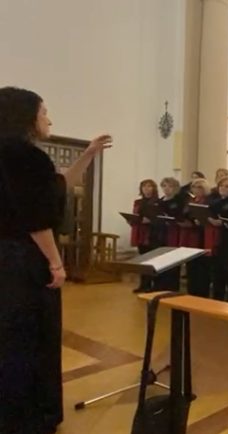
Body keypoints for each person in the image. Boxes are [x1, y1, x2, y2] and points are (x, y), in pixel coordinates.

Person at [0, 86, 112, 434]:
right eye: (44, 112)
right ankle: (30, 417)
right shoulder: (28, 157)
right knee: (32, 337)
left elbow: (57, 187)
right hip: (23, 260)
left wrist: (88, 154)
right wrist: (56, 262)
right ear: (26, 117)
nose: (48, 119)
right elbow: (36, 218)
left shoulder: (13, 156)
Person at [154, 177, 187, 291]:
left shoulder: (179, 201)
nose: (166, 188)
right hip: (160, 232)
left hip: (174, 233)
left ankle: (172, 288)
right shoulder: (159, 201)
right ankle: (160, 286)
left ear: (176, 188)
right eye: (164, 186)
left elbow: (181, 217)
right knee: (160, 260)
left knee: (172, 262)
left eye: (170, 186)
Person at [182, 178, 212, 298]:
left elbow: (209, 216)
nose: (196, 189)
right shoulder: (191, 200)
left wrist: (198, 222)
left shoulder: (209, 201)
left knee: (202, 267)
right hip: (191, 236)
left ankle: (202, 293)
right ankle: (192, 292)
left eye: (199, 187)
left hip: (203, 235)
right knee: (191, 265)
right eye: (194, 187)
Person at [129, 179, 160, 292]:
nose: (146, 189)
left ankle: (152, 285)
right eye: (144, 186)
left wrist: (151, 221)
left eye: (149, 186)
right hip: (140, 233)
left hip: (152, 233)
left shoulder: (158, 202)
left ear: (154, 188)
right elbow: (136, 215)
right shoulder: (138, 202)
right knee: (143, 259)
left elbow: (160, 218)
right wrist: (131, 219)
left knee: (152, 260)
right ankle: (143, 284)